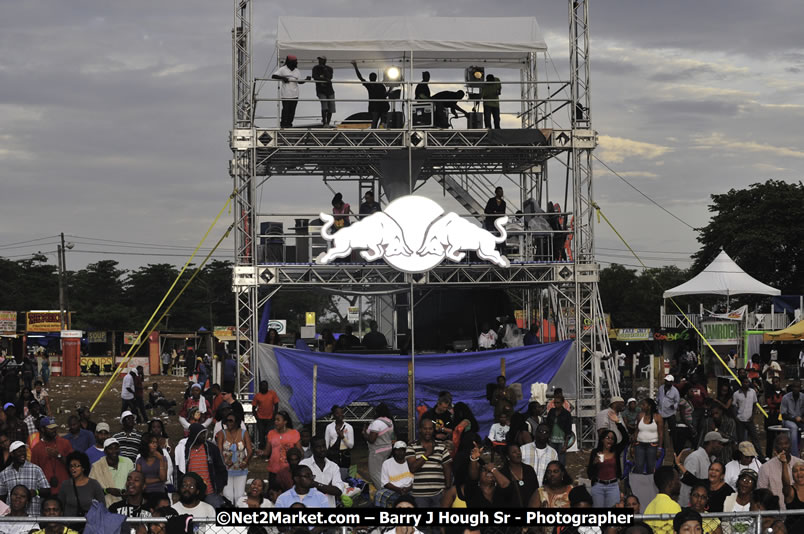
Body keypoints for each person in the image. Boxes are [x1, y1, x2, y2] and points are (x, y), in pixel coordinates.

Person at [174, 423, 228, 508]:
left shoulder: (211, 448)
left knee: (216, 511)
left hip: (209, 491)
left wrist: (220, 486)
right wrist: (178, 489)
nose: (204, 436)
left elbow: (221, 467)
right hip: (191, 491)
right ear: (194, 435)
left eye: (204, 434)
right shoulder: (184, 449)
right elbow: (179, 469)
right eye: (201, 434)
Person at [406, 418, 452, 508]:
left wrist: (447, 488)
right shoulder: (412, 447)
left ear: (433, 430)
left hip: (439, 494)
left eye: (430, 429)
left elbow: (447, 469)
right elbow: (413, 468)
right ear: (420, 430)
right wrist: (427, 454)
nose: (428, 431)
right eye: (425, 428)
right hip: (420, 495)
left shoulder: (441, 447)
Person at [678, 431, 727, 506]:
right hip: (690, 505)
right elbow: (687, 481)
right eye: (719, 443)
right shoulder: (694, 457)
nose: (722, 447)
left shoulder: (711, 459)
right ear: (712, 443)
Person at [0, 441, 50, 514]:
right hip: (12, 517)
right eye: (19, 451)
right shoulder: (4, 473)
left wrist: (36, 492)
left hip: (33, 515)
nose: (23, 454)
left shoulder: (36, 469)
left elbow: (47, 490)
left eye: (24, 451)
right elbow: (2, 496)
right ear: (12, 454)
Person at [216, 410, 253, 505]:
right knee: (228, 495)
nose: (228, 423)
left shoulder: (244, 433)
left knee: (239, 495)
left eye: (231, 421)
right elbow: (219, 450)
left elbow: (249, 450)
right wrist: (224, 462)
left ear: (237, 422)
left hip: (241, 468)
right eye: (227, 420)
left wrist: (245, 462)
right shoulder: (221, 433)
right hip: (226, 468)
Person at [759, 433, 804, 510]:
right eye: (780, 444)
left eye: (786, 443)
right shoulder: (765, 467)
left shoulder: (801, 464)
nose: (784, 446)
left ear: (790, 445)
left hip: (798, 511)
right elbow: (761, 493)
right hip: (775, 514)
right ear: (775, 447)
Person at [588, 426, 629, 508]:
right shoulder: (595, 452)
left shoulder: (616, 451)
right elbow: (589, 473)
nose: (610, 440)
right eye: (608, 438)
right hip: (598, 486)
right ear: (602, 439)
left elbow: (626, 439)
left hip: (612, 486)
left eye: (612, 439)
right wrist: (594, 463)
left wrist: (618, 423)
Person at [31, 417, 73, 495]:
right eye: (50, 428)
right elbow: (34, 472)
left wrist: (59, 456)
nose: (54, 430)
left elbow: (72, 464)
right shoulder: (36, 448)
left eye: (54, 428)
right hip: (46, 491)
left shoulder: (65, 443)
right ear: (43, 429)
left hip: (65, 490)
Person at [299, 435, 344, 508]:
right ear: (312, 449)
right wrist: (329, 488)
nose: (322, 449)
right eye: (318, 447)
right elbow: (302, 489)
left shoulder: (334, 466)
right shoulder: (304, 464)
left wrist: (315, 484)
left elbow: (338, 491)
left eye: (324, 446)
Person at [464, 442, 512, 507]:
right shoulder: (472, 490)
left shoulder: (500, 491)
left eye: (491, 471)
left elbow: (506, 485)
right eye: (484, 470)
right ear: (479, 473)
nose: (489, 472)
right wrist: (474, 459)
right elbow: (473, 476)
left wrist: (493, 469)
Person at [89, 438, 134, 508]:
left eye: (116, 448)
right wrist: (107, 491)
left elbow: (133, 481)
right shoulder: (97, 466)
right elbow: (91, 489)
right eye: (110, 448)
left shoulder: (128, 462)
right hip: (105, 505)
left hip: (125, 504)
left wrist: (125, 492)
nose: (114, 451)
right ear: (105, 451)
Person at [58, 450, 104, 517]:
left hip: (89, 524)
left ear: (83, 468)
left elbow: (102, 506)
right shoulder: (65, 485)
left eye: (76, 466)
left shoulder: (94, 484)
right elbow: (60, 506)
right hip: (69, 524)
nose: (73, 469)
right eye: (71, 466)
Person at [258, 411, 300, 482]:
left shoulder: (294, 433)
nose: (275, 422)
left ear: (285, 422)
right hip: (274, 469)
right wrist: (261, 453)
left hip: (288, 470)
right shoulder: (271, 433)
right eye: (275, 420)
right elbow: (267, 452)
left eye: (278, 420)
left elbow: (299, 452)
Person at [272, 55, 311, 129]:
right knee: (286, 110)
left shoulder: (297, 71)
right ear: (289, 62)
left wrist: (306, 79)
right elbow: (273, 76)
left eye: (296, 62)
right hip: (286, 94)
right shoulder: (283, 69)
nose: (296, 63)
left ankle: (289, 124)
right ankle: (283, 124)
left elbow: (299, 82)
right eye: (294, 62)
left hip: (295, 94)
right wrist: (283, 78)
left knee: (292, 111)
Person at [364, 403, 395, 492]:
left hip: (377, 451)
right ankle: (389, 489)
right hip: (387, 449)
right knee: (383, 472)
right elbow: (392, 436)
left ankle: (384, 492)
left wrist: (364, 434)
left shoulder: (377, 423)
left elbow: (372, 439)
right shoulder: (390, 422)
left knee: (374, 473)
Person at [643, 466, 682, 534]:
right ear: (671, 483)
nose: (680, 484)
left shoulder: (649, 507)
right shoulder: (673, 506)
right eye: (678, 480)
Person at [351, 61, 388, 128]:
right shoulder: (379, 85)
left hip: (378, 107)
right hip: (379, 107)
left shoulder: (373, 85)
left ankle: (378, 133)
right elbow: (385, 95)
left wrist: (355, 67)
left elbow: (360, 77)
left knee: (376, 122)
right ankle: (379, 133)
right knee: (378, 122)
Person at [375, 441, 413, 508]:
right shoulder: (387, 463)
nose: (400, 453)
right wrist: (398, 490)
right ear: (394, 451)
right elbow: (385, 483)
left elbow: (416, 481)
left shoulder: (410, 462)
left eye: (402, 450)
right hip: (393, 491)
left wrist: (407, 489)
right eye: (398, 450)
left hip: (409, 490)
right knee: (379, 494)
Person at [500, 443, 538, 508]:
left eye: (519, 451)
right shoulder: (503, 473)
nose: (518, 453)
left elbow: (536, 490)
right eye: (514, 452)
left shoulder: (529, 470)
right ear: (508, 456)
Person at [723, 469, 757, 534]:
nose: (745, 483)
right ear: (738, 481)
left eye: (749, 481)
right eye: (743, 479)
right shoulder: (729, 499)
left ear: (754, 486)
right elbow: (725, 523)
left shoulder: (756, 501)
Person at [634, 398, 663, 475]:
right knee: (639, 466)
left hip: (652, 445)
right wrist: (633, 445)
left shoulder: (658, 417)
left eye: (643, 405)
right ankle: (639, 485)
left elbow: (660, 433)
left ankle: (650, 485)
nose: (641, 406)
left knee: (651, 467)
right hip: (639, 444)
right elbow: (636, 430)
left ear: (649, 406)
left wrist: (659, 448)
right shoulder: (640, 416)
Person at [733, 378, 761, 455]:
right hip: (740, 420)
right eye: (745, 382)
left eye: (748, 382)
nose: (746, 384)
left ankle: (760, 456)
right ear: (741, 383)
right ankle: (741, 455)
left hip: (750, 420)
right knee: (741, 440)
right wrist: (736, 417)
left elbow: (755, 403)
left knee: (755, 438)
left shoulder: (752, 392)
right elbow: (734, 406)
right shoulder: (736, 394)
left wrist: (753, 415)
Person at [324, 405, 353, 479]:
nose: (340, 415)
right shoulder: (329, 427)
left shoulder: (348, 427)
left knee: (343, 476)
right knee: (332, 476)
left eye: (341, 413)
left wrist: (343, 437)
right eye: (337, 413)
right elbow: (326, 444)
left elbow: (351, 445)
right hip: (332, 455)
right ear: (333, 415)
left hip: (344, 455)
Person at [135, 432, 167, 497]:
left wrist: (161, 459)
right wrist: (158, 479)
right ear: (146, 444)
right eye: (152, 443)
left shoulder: (163, 459)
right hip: (144, 492)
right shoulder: (140, 460)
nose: (155, 445)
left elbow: (163, 478)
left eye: (156, 443)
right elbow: (139, 480)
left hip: (159, 491)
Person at [546, 390, 573, 464]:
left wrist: (565, 445)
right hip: (552, 440)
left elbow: (568, 430)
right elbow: (547, 424)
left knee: (561, 462)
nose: (556, 404)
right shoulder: (551, 411)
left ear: (562, 403)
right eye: (555, 402)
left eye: (558, 403)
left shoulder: (566, 414)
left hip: (562, 441)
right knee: (551, 460)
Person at [252, 381, 279, 451]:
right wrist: (256, 417)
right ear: (260, 386)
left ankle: (269, 451)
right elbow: (253, 407)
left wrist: (274, 416)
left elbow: (276, 405)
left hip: (270, 419)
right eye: (263, 385)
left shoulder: (272, 394)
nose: (264, 387)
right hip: (260, 419)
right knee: (261, 436)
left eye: (265, 385)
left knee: (270, 435)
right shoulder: (257, 396)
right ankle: (261, 451)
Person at [781, 380, 804, 458]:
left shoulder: (803, 397)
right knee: (794, 428)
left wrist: (801, 419)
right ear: (791, 388)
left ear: (800, 388)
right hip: (788, 420)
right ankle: (795, 455)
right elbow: (783, 415)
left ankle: (800, 451)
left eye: (797, 387)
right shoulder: (786, 398)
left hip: (800, 420)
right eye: (794, 387)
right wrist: (795, 418)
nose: (796, 389)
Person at [311, 56, 335, 126]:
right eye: (319, 60)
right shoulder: (315, 68)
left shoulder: (329, 68)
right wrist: (324, 80)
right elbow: (315, 77)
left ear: (324, 61)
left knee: (331, 106)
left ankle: (328, 122)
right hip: (321, 90)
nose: (320, 61)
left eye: (321, 60)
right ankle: (324, 121)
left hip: (330, 90)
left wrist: (324, 69)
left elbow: (329, 77)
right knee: (324, 106)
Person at [658, 375, 680, 444]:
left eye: (669, 382)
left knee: (673, 430)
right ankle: (662, 444)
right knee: (660, 429)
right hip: (661, 412)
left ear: (672, 383)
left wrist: (674, 406)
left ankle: (675, 445)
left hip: (670, 413)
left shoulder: (675, 391)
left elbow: (677, 401)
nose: (667, 383)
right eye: (666, 381)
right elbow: (658, 397)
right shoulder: (661, 388)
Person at [783, 461, 804, 532]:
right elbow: (785, 483)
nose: (799, 473)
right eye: (795, 471)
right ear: (792, 475)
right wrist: (784, 464)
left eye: (802, 469)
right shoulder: (790, 491)